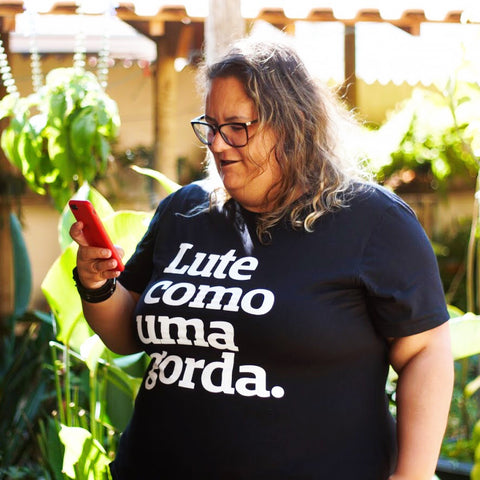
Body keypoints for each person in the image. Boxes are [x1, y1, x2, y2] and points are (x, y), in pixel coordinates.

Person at [70, 37, 453, 480]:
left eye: (237, 126)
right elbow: (127, 334)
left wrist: (412, 476)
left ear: (293, 124)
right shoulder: (184, 211)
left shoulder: (373, 222)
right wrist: (97, 285)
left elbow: (425, 350)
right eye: (210, 126)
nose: (217, 143)